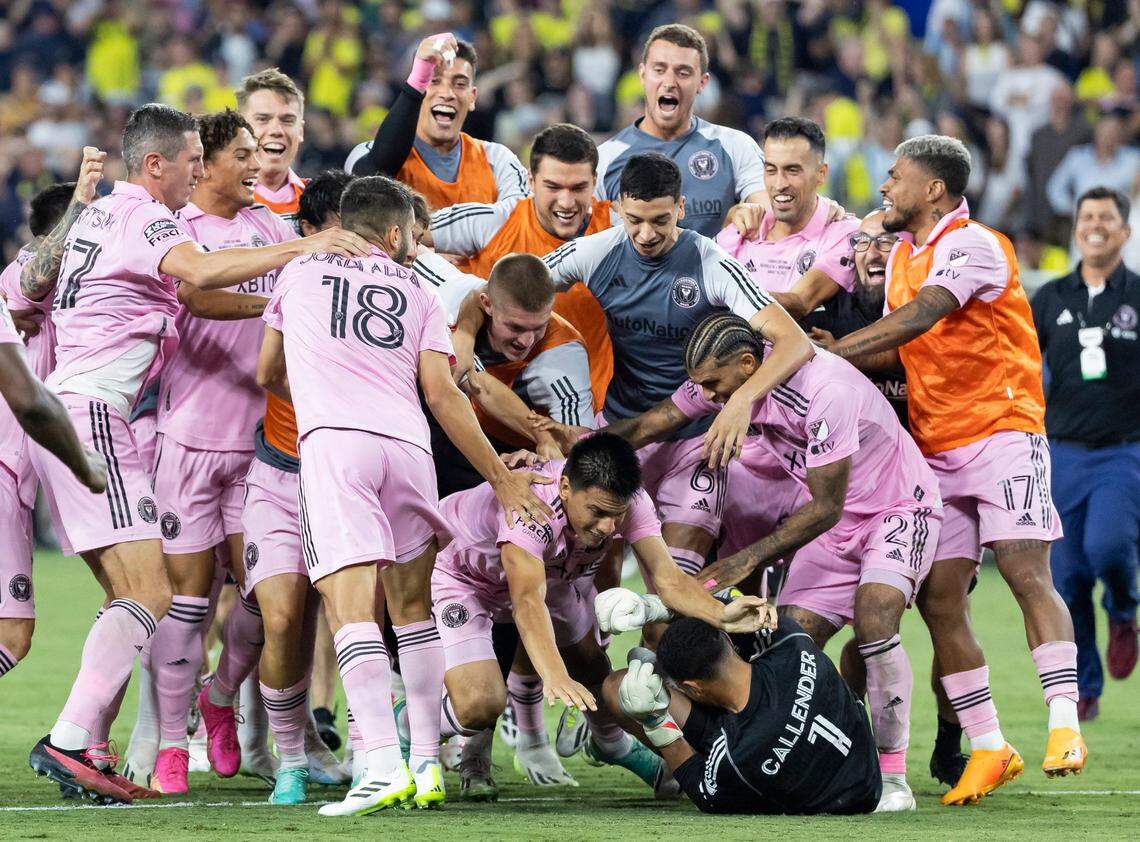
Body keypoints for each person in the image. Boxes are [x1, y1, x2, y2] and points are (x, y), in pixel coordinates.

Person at [19, 103, 369, 806]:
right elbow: (198, 275)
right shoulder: (148, 215)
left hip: (66, 411)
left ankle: (84, 742)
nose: (198, 171)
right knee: (153, 591)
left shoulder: (94, 216)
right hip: (95, 416)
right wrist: (301, 248)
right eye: (190, 160)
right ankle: (69, 738)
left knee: (130, 592)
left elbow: (33, 282)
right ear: (157, 165)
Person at [258, 175, 550, 817]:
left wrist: (318, 387)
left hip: (338, 445)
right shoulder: (417, 291)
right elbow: (446, 394)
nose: (417, 245)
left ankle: (379, 765)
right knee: (412, 608)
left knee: (351, 605)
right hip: (409, 449)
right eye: (415, 234)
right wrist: (501, 479)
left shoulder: (299, 275)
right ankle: (424, 763)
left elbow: (265, 372)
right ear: (394, 234)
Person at [826, 135, 1087, 803]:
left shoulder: (972, 244)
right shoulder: (907, 257)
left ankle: (1063, 723)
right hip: (937, 449)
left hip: (1002, 431)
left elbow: (921, 319)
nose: (885, 187)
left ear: (933, 190)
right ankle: (991, 745)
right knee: (941, 598)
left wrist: (822, 356)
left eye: (895, 177)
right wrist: (834, 352)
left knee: (1027, 569)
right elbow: (898, 354)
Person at [599, 313, 942, 811]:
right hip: (834, 525)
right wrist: (578, 450)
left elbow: (825, 505)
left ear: (746, 364)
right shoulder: (727, 382)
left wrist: (746, 559)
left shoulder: (828, 391)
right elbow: (655, 423)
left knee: (874, 619)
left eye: (716, 385)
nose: (709, 397)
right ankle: (784, 754)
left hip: (898, 507)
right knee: (788, 641)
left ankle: (892, 776)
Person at [534, 153, 811, 610]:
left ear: (681, 208)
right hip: (622, 439)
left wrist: (742, 400)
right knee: (598, 602)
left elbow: (793, 342)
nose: (646, 234)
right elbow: (514, 286)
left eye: (661, 220)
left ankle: (656, 671)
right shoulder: (596, 250)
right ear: (618, 207)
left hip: (695, 443)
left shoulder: (711, 263)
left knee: (675, 597)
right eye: (636, 220)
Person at [429, 433, 770, 797]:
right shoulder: (532, 509)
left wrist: (722, 614)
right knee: (478, 706)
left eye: (616, 515)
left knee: (592, 666)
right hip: (466, 578)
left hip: (550, 574)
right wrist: (555, 674)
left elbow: (668, 579)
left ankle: (611, 743)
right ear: (564, 487)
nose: (608, 527)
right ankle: (397, 729)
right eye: (598, 512)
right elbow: (527, 603)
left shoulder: (629, 500)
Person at [143, 109, 299, 796]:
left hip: (259, 442)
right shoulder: (180, 229)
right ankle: (171, 744)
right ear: (204, 163)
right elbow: (194, 295)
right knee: (185, 600)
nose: (257, 164)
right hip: (187, 441)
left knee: (264, 595)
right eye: (243, 153)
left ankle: (221, 694)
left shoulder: (268, 225)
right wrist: (271, 305)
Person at [1031, 186, 1140, 720]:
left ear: (1125, 231)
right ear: (1075, 228)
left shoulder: (1138, 296)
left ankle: (1123, 609)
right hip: (1062, 454)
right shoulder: (1051, 298)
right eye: (1087, 216)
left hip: (1124, 453)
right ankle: (1086, 685)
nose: (1095, 224)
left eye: (1106, 217)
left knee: (1110, 548)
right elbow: (1021, 365)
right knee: (1068, 576)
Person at [602, 615, 880, 815]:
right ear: (725, 638)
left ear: (692, 689)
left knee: (618, 690)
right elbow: (729, 610)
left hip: (830, 799)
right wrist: (656, 609)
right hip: (867, 777)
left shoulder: (736, 758)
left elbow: (704, 793)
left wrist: (656, 722)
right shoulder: (788, 638)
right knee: (652, 640)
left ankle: (660, 765)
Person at [0, 177, 109, 682]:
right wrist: (83, 204)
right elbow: (31, 282)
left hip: (16, 476)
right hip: (3, 470)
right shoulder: (26, 274)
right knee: (11, 636)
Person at [424, 123, 616, 405]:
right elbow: (399, 231)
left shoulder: (618, 230)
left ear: (594, 182)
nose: (566, 201)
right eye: (552, 187)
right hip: (486, 413)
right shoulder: (493, 223)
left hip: (580, 417)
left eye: (578, 187)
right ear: (530, 180)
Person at [595, 24, 765, 237]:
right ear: (642, 74)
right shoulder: (605, 160)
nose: (669, 82)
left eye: (683, 73)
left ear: (702, 83)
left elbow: (767, 213)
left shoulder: (735, 146)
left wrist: (747, 214)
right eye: (659, 70)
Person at [346, 33, 527, 209]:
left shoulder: (497, 160)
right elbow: (367, 184)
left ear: (472, 98)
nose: (447, 94)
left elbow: (522, 224)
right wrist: (416, 86)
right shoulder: (367, 152)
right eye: (434, 81)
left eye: (460, 84)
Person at [716, 117, 859, 326]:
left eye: (792, 170)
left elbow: (800, 303)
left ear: (821, 174)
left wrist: (722, 292)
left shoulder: (844, 234)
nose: (779, 184)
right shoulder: (744, 225)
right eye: (771, 170)